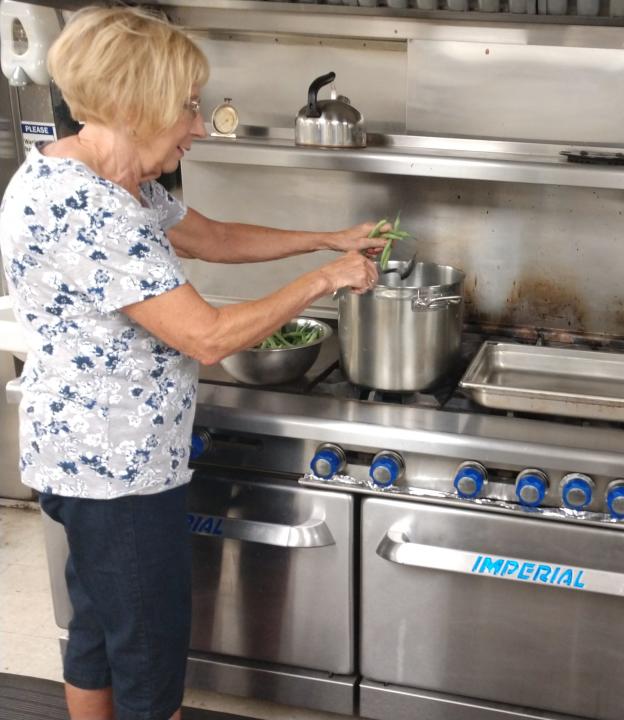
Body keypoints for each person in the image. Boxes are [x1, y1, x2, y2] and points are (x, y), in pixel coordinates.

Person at [0, 7, 382, 720]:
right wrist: (325, 281)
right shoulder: (92, 211)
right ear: (131, 103)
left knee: (97, 629)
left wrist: (325, 238)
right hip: (117, 474)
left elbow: (217, 237)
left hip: (79, 457)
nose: (199, 124)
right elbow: (205, 337)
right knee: (148, 659)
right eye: (185, 106)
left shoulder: (107, 181)